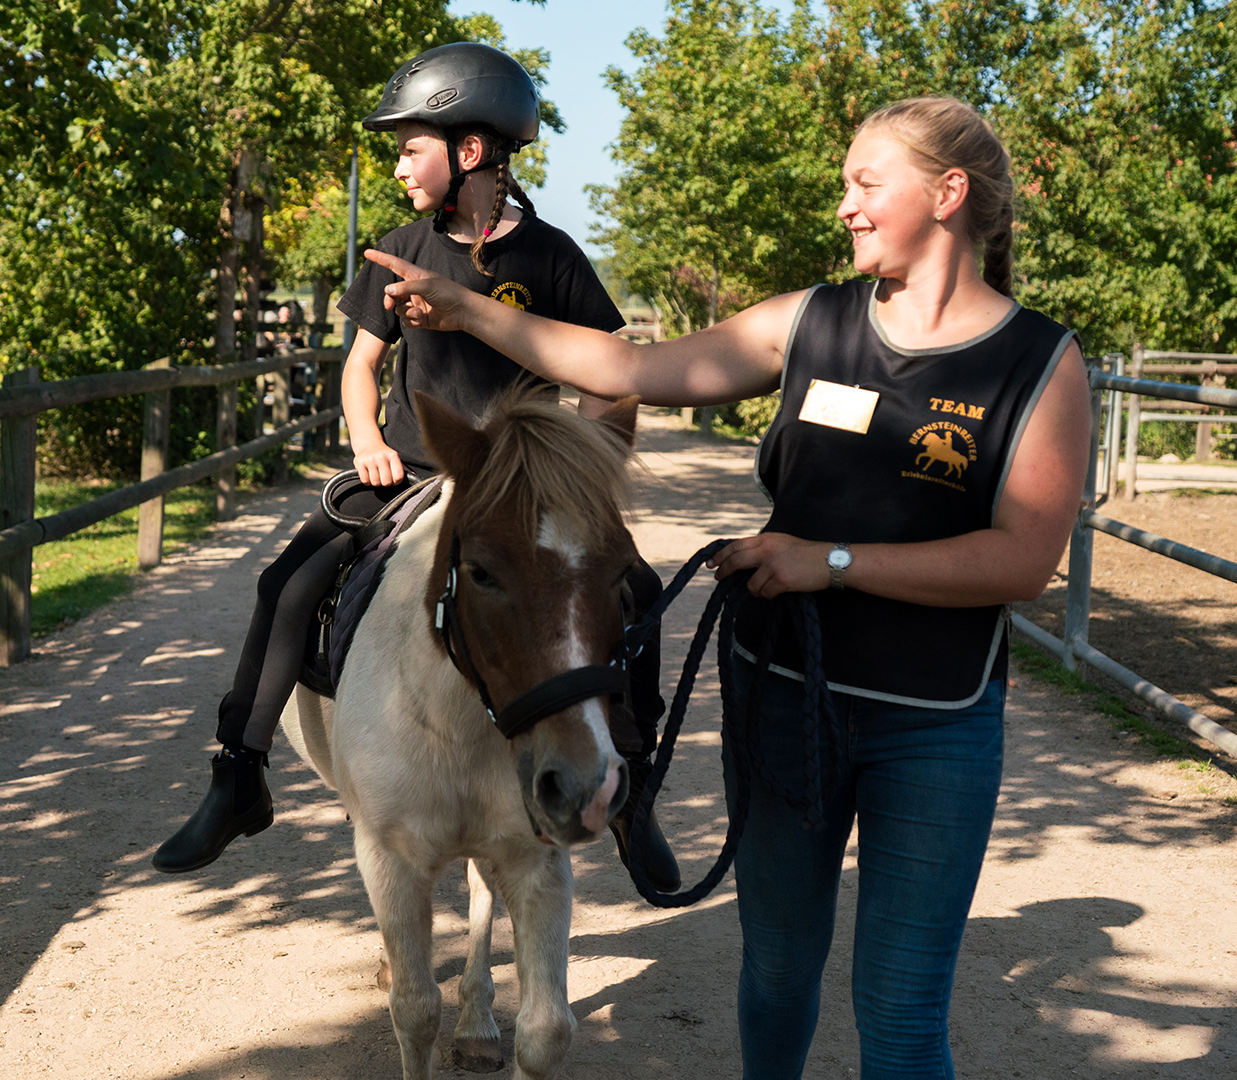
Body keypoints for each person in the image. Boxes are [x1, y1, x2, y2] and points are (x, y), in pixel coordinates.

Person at [364, 96, 1091, 1078]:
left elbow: (1022, 562)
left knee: (903, 1008)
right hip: (784, 697)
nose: (846, 206)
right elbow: (626, 366)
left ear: (948, 193)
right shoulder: (812, 321)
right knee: (779, 974)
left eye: (866, 182)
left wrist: (828, 563)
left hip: (933, 721)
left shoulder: (1038, 363)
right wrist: (460, 309)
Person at [154, 42, 682, 893]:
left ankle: (633, 791)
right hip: (404, 472)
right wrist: (366, 439)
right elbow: (360, 366)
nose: (398, 164)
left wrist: (577, 469)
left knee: (637, 594)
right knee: (286, 584)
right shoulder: (398, 246)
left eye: (410, 146)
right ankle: (238, 771)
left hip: (516, 491)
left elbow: (611, 377)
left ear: (468, 152)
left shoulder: (552, 259)